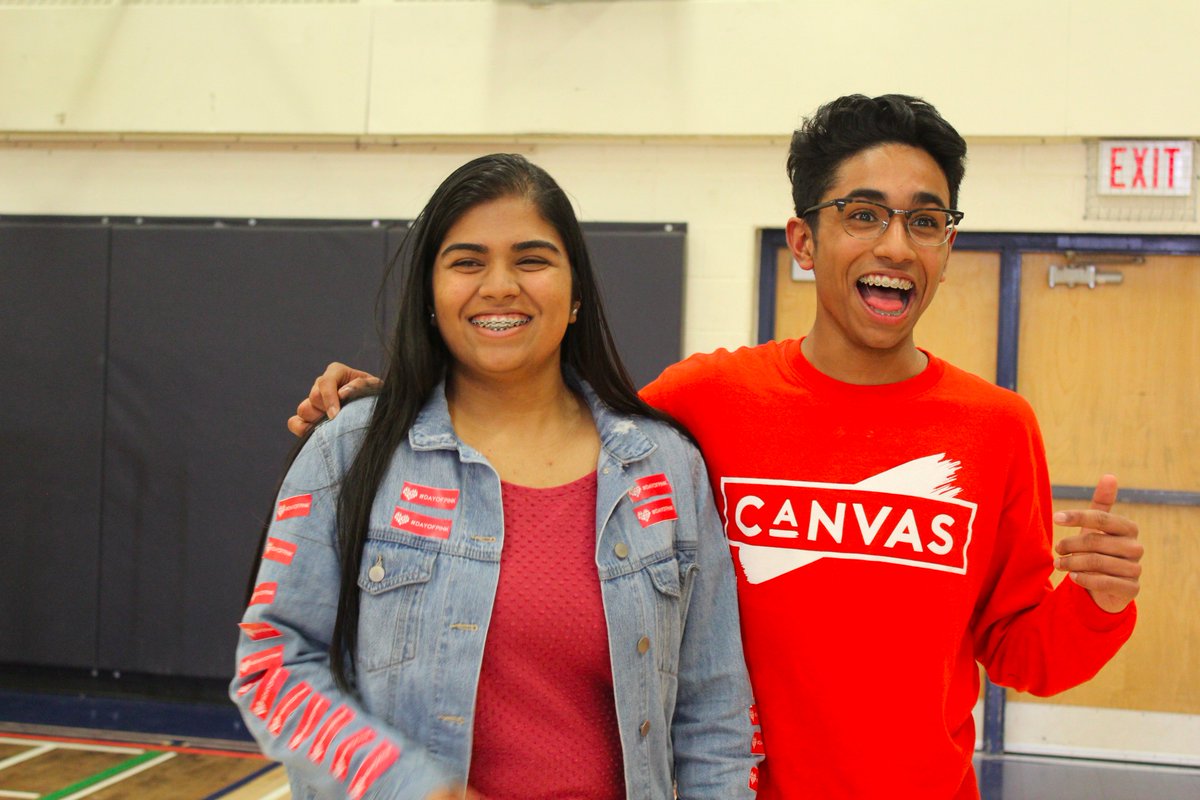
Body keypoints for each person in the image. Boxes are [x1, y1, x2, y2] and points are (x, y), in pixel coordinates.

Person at [291, 95, 1144, 799]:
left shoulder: (994, 427)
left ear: (947, 245)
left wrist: (1096, 604)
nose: (895, 244)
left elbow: (1022, 649)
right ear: (805, 242)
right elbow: (536, 419)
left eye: (925, 221)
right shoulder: (706, 401)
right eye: (864, 215)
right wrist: (403, 403)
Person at [231, 154, 760, 800]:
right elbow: (272, 667)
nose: (501, 285)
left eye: (532, 260)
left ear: (575, 297)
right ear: (430, 295)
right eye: (467, 262)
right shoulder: (349, 450)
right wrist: (415, 789)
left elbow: (715, 719)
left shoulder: (665, 466)